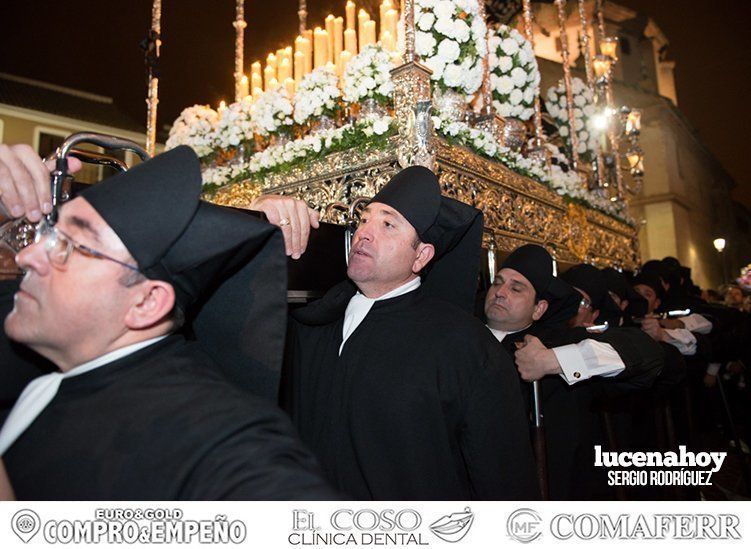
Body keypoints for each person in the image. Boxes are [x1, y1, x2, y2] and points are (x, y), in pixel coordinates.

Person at [0, 145, 336, 500]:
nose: (27, 256)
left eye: (70, 246)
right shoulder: (45, 355)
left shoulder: (213, 436)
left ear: (147, 302)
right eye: (47, 237)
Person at [281, 166, 537, 500]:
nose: (364, 233)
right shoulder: (313, 323)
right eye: (364, 220)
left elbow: (504, 482)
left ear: (421, 256)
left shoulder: (466, 346)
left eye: (387, 224)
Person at [484, 246, 663, 499]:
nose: (500, 293)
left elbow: (648, 354)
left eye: (516, 288)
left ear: (539, 309)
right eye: (497, 283)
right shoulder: (460, 333)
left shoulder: (555, 342)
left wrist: (553, 360)